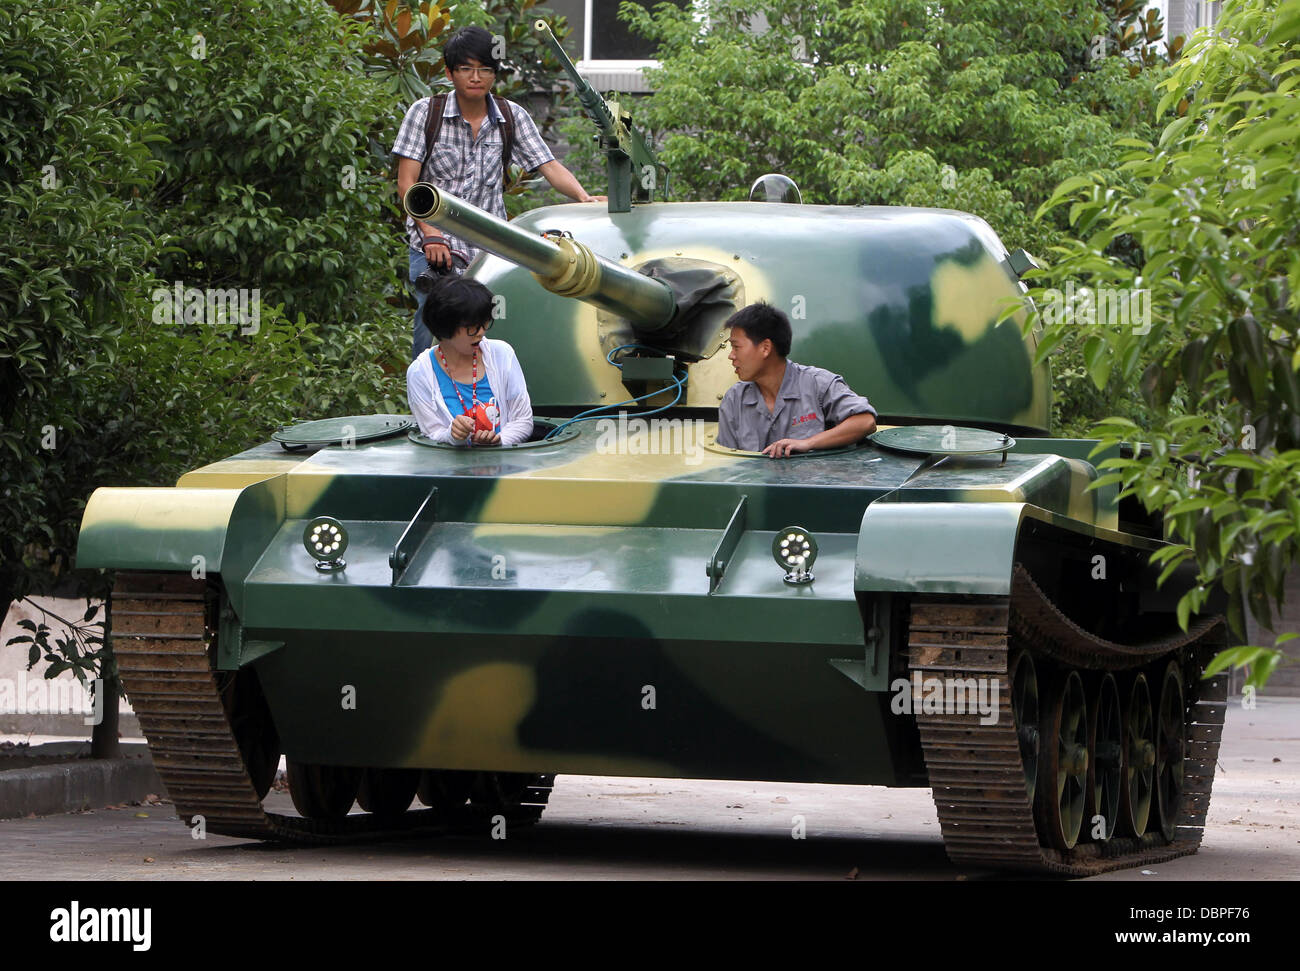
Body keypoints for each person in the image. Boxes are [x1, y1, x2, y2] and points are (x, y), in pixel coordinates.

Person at [392, 25, 604, 360]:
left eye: (485, 70)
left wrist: (582, 197)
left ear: (495, 74)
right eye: (466, 69)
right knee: (434, 331)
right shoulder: (425, 113)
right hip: (435, 247)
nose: (475, 77)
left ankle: (486, 407)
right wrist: (431, 234)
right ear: (450, 73)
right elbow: (408, 183)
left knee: (488, 330)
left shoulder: (510, 116)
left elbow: (548, 165)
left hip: (489, 249)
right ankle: (428, 407)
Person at [717, 302, 878, 458]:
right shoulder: (734, 400)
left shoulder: (817, 384)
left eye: (736, 347)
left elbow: (865, 422)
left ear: (765, 348)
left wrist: (808, 443)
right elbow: (728, 463)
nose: (731, 356)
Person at [407, 277, 533, 446]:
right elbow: (432, 433)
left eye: (484, 323)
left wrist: (499, 441)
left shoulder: (502, 354)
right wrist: (453, 435)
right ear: (445, 326)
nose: (481, 332)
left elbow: (523, 421)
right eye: (472, 327)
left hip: (506, 467)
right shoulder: (420, 373)